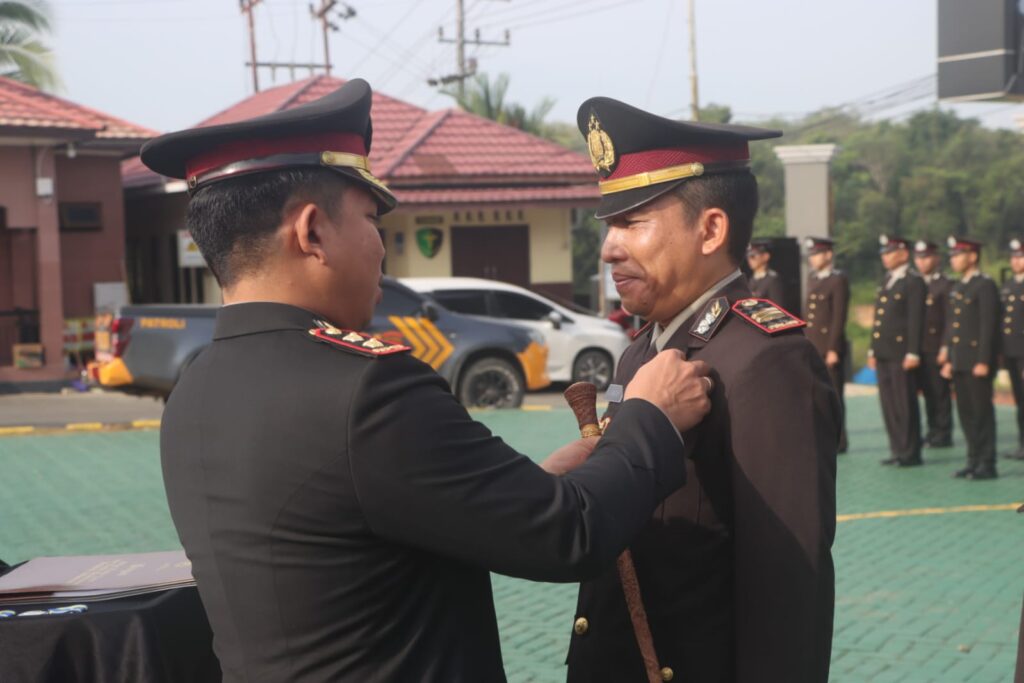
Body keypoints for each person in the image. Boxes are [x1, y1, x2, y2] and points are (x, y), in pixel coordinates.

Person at [144, 79, 714, 682]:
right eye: (371, 220)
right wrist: (650, 415)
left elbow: (349, 527)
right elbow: (570, 533)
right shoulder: (366, 391)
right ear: (311, 233)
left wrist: (527, 486)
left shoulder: (195, 389)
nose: (381, 249)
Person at [565, 96, 839, 682]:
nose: (609, 247)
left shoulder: (765, 360)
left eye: (632, 222)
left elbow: (787, 586)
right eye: (610, 225)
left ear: (711, 229)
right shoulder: (642, 349)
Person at [940, 236, 999, 480]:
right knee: (966, 413)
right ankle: (973, 460)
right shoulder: (958, 286)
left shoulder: (984, 285)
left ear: (972, 257)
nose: (953, 259)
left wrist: (983, 360)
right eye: (952, 256)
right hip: (960, 360)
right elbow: (953, 325)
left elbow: (988, 326)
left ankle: (987, 463)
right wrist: (948, 357)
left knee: (981, 412)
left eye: (958, 255)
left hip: (977, 361)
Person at [867, 235, 926, 466]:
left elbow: (915, 320)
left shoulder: (913, 281)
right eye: (884, 253)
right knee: (889, 403)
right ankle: (897, 449)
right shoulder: (888, 279)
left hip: (902, 353)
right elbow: (879, 318)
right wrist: (872, 349)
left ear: (904, 253)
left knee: (904, 403)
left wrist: (913, 352)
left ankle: (910, 452)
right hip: (884, 351)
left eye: (890, 252)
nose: (885, 257)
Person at [805, 236, 850, 453]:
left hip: (829, 349)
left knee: (834, 396)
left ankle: (840, 440)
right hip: (814, 346)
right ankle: (825, 437)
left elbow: (838, 318)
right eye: (811, 255)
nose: (812, 259)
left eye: (816, 254)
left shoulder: (837, 280)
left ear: (828, 254)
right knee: (817, 396)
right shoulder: (813, 279)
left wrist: (833, 348)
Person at [914, 240, 954, 448]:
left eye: (926, 257)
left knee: (939, 393)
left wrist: (946, 347)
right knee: (927, 392)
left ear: (936, 259)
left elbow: (950, 320)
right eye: (918, 258)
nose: (922, 262)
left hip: (936, 347)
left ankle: (943, 432)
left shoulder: (945, 284)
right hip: (918, 347)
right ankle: (932, 431)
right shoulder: (915, 283)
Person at [1000, 238, 1024, 461]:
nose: (1016, 261)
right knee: (1020, 399)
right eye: (1013, 257)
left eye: (1020, 256)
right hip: (1011, 352)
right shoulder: (1008, 285)